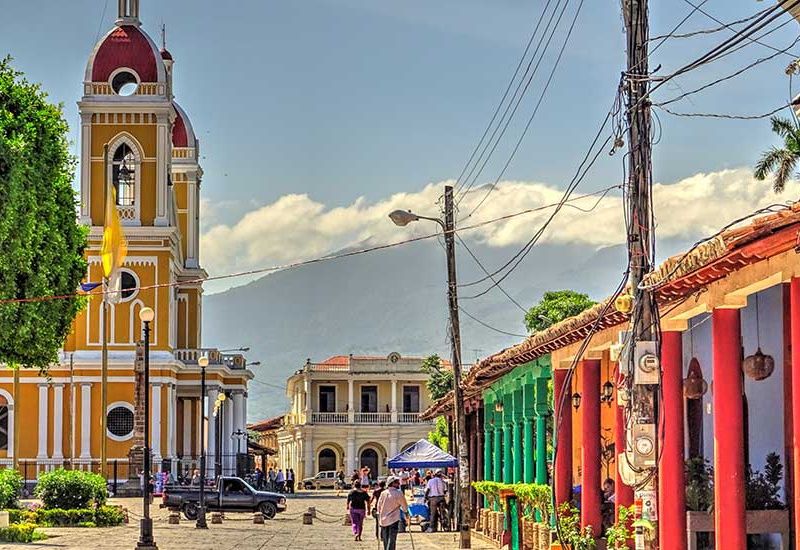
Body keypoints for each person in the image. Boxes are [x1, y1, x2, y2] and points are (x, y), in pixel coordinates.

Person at [377, 476, 409, 550]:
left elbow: (379, 505)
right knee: (391, 539)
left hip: (383, 520)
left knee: (386, 539)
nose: (398, 484)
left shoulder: (383, 493)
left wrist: (378, 514)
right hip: (393, 519)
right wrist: (406, 513)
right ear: (392, 483)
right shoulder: (398, 493)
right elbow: (404, 505)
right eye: (397, 482)